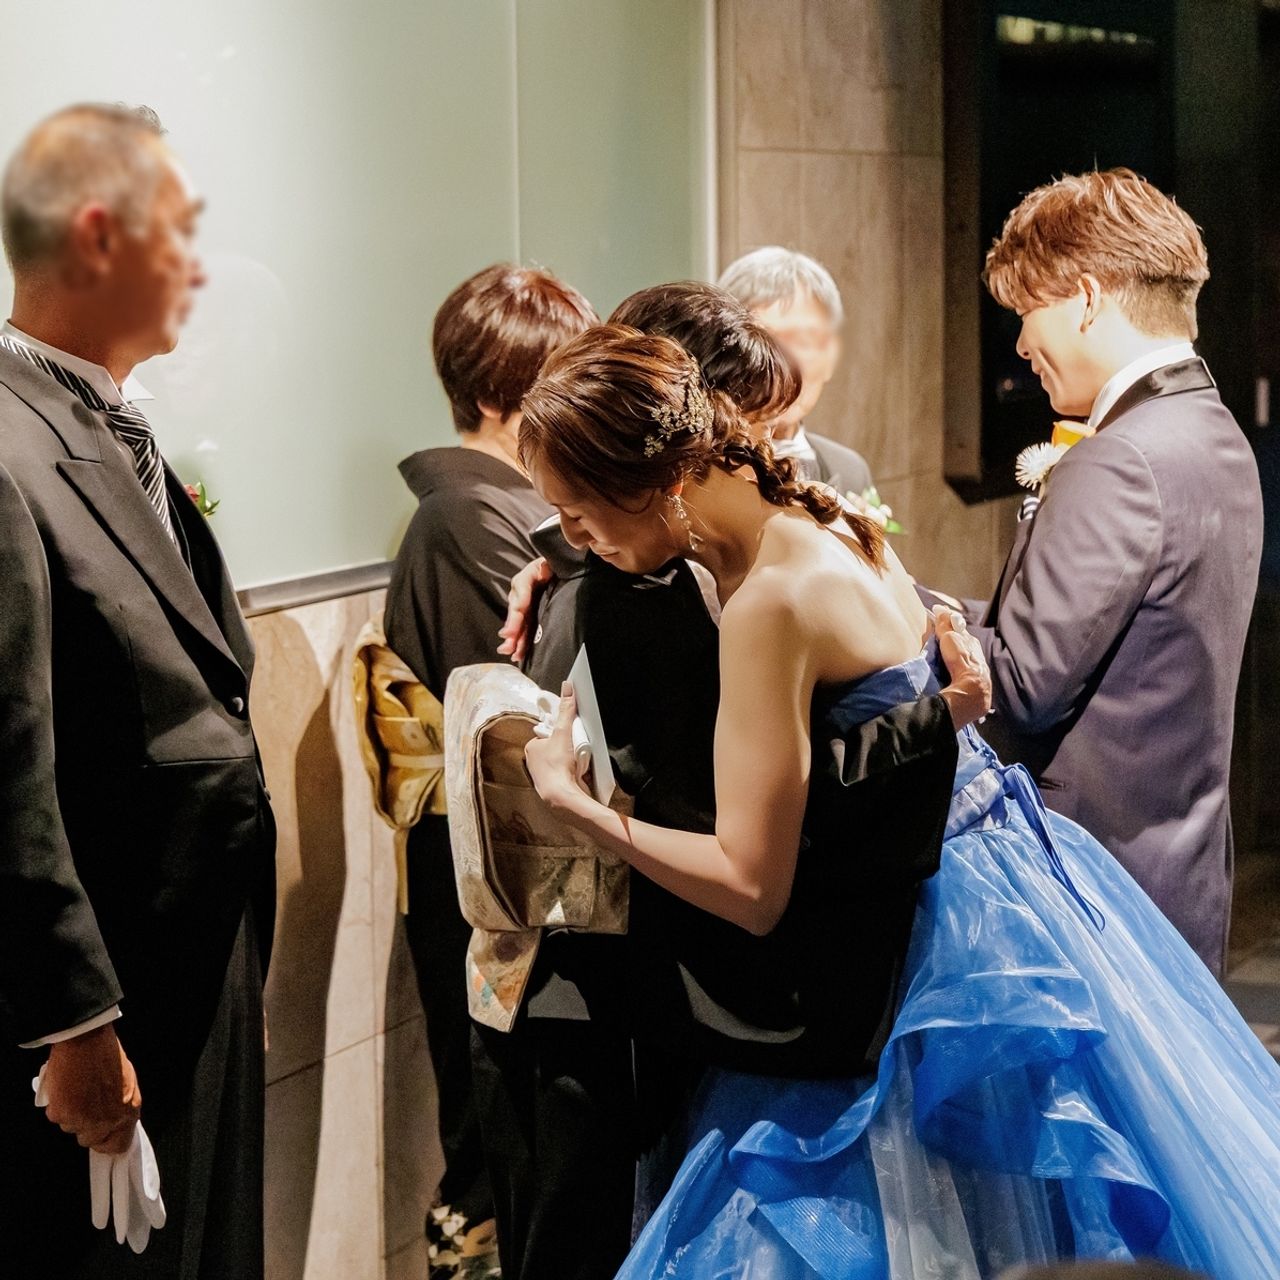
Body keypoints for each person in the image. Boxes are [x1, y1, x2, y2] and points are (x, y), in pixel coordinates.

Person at [519, 325, 1280, 1277]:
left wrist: (577, 807)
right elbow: (880, 734)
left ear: (662, 481)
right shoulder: (832, 518)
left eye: (578, 514)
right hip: (1007, 880)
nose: (576, 541)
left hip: (920, 946)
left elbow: (751, 887)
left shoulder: (768, 604)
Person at [0, 104, 275, 1278]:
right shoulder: (8, 447)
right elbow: (9, 752)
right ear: (97, 236)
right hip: (106, 998)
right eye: (181, 231)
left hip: (196, 969)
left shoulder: (114, 429)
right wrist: (72, 1017)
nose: (200, 267)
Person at [977, 169, 1263, 975]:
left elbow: (1023, 684)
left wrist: (889, 604)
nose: (1022, 345)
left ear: (1086, 298)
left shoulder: (1121, 458)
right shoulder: (1214, 432)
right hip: (1179, 879)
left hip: (1095, 896)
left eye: (1027, 312)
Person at [382, 263, 596, 1277]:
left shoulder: (498, 506)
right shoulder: (467, 516)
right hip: (489, 885)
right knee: (494, 1148)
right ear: (512, 388)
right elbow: (532, 693)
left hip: (512, 876)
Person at [718, 245, 873, 499]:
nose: (783, 364)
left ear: (831, 356)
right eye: (765, 340)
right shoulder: (699, 471)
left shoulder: (851, 469)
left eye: (802, 341)